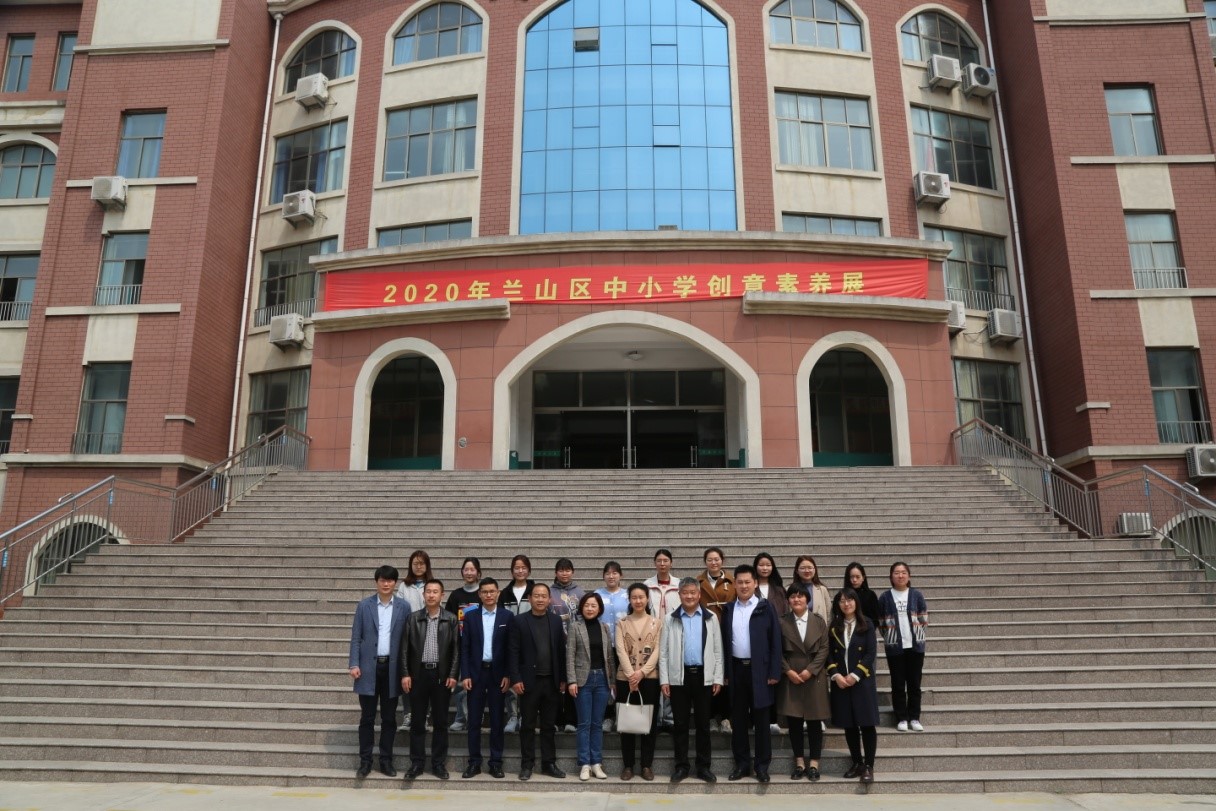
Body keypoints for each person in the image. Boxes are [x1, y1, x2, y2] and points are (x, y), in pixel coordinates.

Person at [720, 564, 781, 783]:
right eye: (740, 582)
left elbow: (775, 641)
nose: (744, 586)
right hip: (736, 669)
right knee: (738, 720)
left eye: (748, 582)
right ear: (734, 584)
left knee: (762, 720)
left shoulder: (765, 607)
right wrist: (725, 672)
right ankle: (742, 764)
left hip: (760, 671)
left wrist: (774, 671)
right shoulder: (729, 609)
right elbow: (724, 643)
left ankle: (762, 767)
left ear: (755, 583)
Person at [659, 576, 724, 784]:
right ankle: (681, 766)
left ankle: (704, 767)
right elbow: (664, 653)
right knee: (680, 724)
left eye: (693, 593)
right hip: (679, 677)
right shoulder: (670, 619)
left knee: (703, 724)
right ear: (679, 595)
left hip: (704, 677)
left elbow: (718, 650)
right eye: (685, 593)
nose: (689, 596)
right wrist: (664, 680)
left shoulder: (710, 618)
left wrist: (717, 677)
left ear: (699, 594)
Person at [348, 565, 410, 778]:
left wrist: (406, 671)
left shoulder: (404, 607)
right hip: (367, 669)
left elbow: (407, 641)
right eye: (382, 580)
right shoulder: (364, 606)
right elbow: (356, 637)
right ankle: (365, 761)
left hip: (392, 670)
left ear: (395, 583)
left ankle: (386, 761)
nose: (386, 584)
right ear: (376, 582)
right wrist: (354, 664)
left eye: (390, 580)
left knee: (389, 718)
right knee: (367, 718)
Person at [400, 578, 460, 780]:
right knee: (417, 721)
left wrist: (453, 674)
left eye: (435, 592)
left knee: (441, 722)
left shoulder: (451, 619)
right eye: (428, 591)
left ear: (442, 595)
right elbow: (404, 649)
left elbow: (456, 650)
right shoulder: (413, 618)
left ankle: (438, 764)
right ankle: (416, 763)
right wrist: (405, 674)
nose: (431, 595)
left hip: (441, 676)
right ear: (423, 594)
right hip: (418, 675)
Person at [507, 582, 568, 780]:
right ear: (530, 598)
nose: (540, 599)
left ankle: (549, 763)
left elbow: (561, 651)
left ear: (549, 599)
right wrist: (515, 678)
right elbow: (513, 652)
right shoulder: (519, 621)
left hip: (551, 682)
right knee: (527, 726)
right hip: (528, 682)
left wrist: (563, 678)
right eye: (536, 596)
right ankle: (527, 764)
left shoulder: (556, 621)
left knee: (549, 726)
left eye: (544, 596)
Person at [459, 577, 512, 779]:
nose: (489, 595)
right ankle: (474, 762)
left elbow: (510, 648)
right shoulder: (470, 616)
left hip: (498, 675)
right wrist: (465, 674)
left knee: (497, 720)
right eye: (485, 592)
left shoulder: (507, 616)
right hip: (476, 674)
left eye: (492, 591)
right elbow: (464, 648)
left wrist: (508, 674)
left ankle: (496, 763)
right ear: (479, 594)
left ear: (498, 593)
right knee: (474, 720)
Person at [777, 583, 830, 781]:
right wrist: (788, 671)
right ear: (788, 600)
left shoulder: (819, 621)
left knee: (815, 722)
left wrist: (811, 670)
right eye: (793, 597)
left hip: (814, 677)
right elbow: (776, 650)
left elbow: (824, 648)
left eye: (800, 596)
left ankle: (814, 763)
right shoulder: (782, 622)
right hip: (791, 676)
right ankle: (799, 762)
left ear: (807, 599)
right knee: (795, 722)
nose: (796, 600)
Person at [828, 587, 879, 785]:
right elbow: (829, 654)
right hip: (841, 683)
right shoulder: (834, 626)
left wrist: (855, 675)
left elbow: (870, 653)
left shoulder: (867, 623)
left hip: (862, 681)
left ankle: (868, 766)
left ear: (856, 602)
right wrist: (836, 675)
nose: (846, 604)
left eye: (849, 600)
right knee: (849, 725)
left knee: (866, 724)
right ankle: (857, 762)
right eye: (842, 601)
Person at [566, 592, 616, 781]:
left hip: (602, 679)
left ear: (599, 608)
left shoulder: (604, 627)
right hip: (582, 680)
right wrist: (571, 680)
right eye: (587, 605)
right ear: (581, 607)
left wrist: (612, 681)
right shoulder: (575, 626)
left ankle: (596, 763)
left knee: (597, 723)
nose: (590, 608)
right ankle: (584, 764)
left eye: (594, 605)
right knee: (584, 724)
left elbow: (609, 657)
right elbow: (570, 656)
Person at [614, 582, 661, 781]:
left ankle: (646, 765)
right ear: (630, 600)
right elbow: (620, 649)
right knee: (627, 722)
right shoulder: (622, 623)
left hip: (649, 679)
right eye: (634, 597)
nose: (638, 601)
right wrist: (631, 674)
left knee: (648, 722)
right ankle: (628, 765)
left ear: (647, 599)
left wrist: (641, 673)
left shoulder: (657, 623)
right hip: (625, 679)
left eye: (641, 597)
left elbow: (658, 650)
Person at [878, 561, 928, 732]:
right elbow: (881, 622)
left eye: (903, 572)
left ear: (909, 576)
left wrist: (918, 636)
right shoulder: (885, 597)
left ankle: (914, 717)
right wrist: (890, 637)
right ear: (891, 576)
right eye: (896, 573)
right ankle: (901, 718)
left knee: (914, 683)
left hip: (915, 647)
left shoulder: (916, 595)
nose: (900, 576)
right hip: (894, 647)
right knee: (898, 683)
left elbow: (923, 619)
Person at [697, 547, 734, 732]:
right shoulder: (698, 581)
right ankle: (711, 716)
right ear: (705, 562)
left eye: (717, 559)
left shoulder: (732, 581)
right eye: (710, 559)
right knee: (709, 671)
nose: (713, 562)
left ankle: (726, 716)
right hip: (706, 631)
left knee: (726, 673)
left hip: (727, 630)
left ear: (722, 560)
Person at [395, 549, 431, 730]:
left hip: (429, 636)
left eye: (422, 563)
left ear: (427, 565)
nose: (418, 566)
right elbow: (399, 609)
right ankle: (408, 714)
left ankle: (425, 715)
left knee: (426, 679)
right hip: (409, 636)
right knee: (407, 676)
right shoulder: (404, 586)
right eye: (415, 563)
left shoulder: (431, 584)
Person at [498, 554, 534, 733]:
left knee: (527, 680)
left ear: (529, 570)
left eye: (523, 567)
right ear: (512, 571)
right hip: (510, 641)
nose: (520, 571)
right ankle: (513, 715)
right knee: (512, 678)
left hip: (530, 641)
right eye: (517, 568)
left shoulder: (534, 590)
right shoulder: (505, 593)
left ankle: (526, 716)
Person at [446, 557, 482, 733]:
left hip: (479, 646)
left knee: (477, 684)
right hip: (460, 645)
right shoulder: (456, 595)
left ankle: (476, 717)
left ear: (478, 572)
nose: (469, 572)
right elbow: (449, 620)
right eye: (466, 569)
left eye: (472, 569)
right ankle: (461, 717)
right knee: (461, 684)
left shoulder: (483, 593)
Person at [549, 558, 583, 732]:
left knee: (571, 679)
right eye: (561, 570)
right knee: (555, 681)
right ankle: (555, 719)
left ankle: (571, 719)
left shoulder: (580, 592)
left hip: (574, 642)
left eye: (567, 570)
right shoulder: (549, 592)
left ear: (572, 572)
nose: (564, 573)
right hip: (554, 641)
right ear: (556, 572)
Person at [791, 555, 832, 625]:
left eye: (810, 568)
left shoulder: (822, 590)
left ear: (814, 570)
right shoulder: (789, 589)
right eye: (803, 568)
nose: (807, 571)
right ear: (797, 570)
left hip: (818, 629)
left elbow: (829, 614)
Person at [843, 561, 881, 629]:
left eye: (857, 577)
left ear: (863, 578)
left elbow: (875, 619)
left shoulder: (870, 595)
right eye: (852, 577)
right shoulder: (842, 595)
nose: (854, 580)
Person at [645, 548, 680, 617]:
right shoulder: (647, 584)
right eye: (659, 561)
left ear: (671, 563)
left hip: (673, 622)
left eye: (665, 561)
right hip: (652, 622)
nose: (662, 564)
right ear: (655, 563)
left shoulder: (678, 584)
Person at [753, 552, 788, 619]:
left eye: (768, 565)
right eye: (761, 565)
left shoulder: (779, 590)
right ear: (755, 566)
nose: (765, 568)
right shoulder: (750, 589)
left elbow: (786, 611)